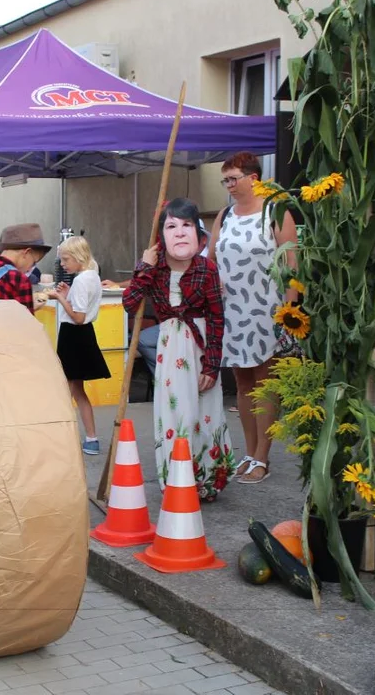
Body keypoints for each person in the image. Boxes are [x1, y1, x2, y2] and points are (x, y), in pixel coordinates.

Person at [123, 199, 232, 500]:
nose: (180, 232)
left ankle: (208, 480)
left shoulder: (206, 270)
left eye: (187, 225)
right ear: (161, 235)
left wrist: (212, 364)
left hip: (200, 346)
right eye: (171, 226)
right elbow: (129, 304)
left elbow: (216, 317)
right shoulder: (153, 268)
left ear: (198, 233)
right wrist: (144, 267)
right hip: (171, 348)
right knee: (176, 413)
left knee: (206, 413)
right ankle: (178, 480)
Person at [208, 152, 298, 484]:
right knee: (243, 383)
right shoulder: (224, 215)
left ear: (253, 177)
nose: (229, 185)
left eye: (233, 178)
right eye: (225, 180)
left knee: (266, 383)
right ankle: (248, 453)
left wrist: (291, 312)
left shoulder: (276, 212)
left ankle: (263, 455)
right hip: (233, 309)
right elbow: (212, 258)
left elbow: (291, 265)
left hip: (267, 309)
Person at [51, 236, 110, 456]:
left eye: (66, 260)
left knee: (65, 389)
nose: (63, 265)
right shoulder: (92, 275)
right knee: (77, 390)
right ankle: (91, 438)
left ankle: (60, 438)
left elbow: (78, 316)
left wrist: (59, 298)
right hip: (83, 335)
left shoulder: (83, 280)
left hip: (73, 335)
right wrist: (68, 295)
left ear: (78, 257)